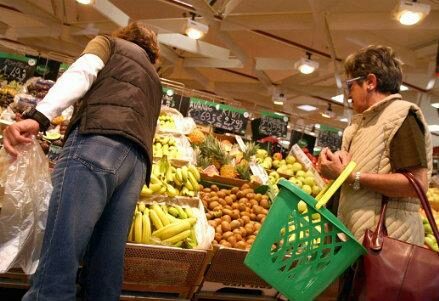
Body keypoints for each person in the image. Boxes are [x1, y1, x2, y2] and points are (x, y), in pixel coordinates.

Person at [2, 22, 162, 301]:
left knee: (60, 257)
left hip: (96, 145)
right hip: (136, 167)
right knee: (104, 269)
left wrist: (39, 117)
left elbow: (83, 72)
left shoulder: (110, 44)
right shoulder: (154, 79)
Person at [318, 45, 432, 299]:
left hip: (386, 246)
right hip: (357, 245)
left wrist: (349, 175)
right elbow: (360, 172)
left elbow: (416, 183)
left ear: (370, 82)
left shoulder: (401, 116)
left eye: (350, 85)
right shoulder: (362, 124)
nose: (348, 95)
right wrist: (335, 169)